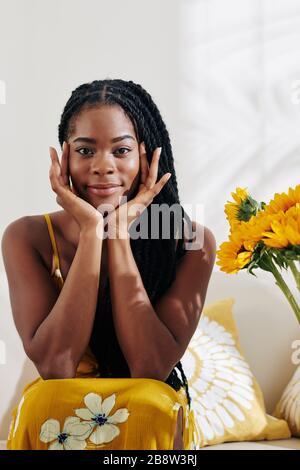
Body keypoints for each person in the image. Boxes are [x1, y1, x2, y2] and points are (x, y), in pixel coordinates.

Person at [1, 79, 216, 450]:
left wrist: (117, 236)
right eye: (86, 151)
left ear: (147, 157)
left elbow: (149, 370)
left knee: (150, 405)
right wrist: (90, 233)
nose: (103, 167)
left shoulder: (190, 240)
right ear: (64, 157)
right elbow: (57, 367)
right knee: (41, 402)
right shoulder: (27, 236)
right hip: (60, 409)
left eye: (121, 150)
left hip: (151, 415)